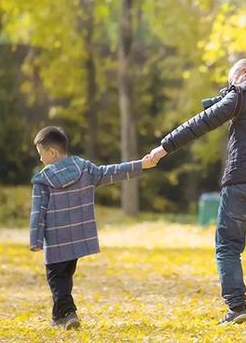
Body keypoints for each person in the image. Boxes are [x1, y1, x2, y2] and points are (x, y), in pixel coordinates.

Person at [149, 58, 246, 325]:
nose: (230, 87)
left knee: (227, 246)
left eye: (231, 81)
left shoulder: (243, 95)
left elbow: (200, 122)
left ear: (245, 73)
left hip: (242, 182)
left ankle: (237, 308)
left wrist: (163, 148)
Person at [29, 126, 155, 330]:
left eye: (41, 154)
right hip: (77, 241)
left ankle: (69, 313)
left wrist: (35, 241)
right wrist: (141, 164)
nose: (41, 159)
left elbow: (38, 212)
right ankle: (58, 317)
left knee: (56, 280)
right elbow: (112, 172)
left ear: (52, 152)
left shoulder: (43, 181)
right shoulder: (85, 170)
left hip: (56, 242)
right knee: (64, 279)